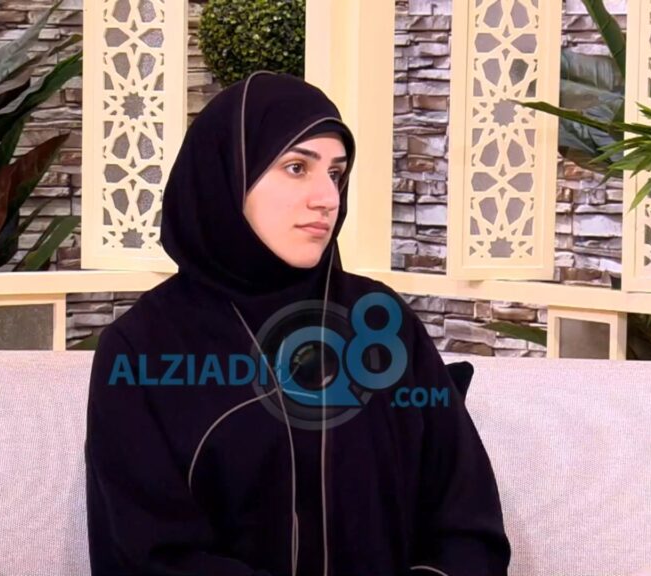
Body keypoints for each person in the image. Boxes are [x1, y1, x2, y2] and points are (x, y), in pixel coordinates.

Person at [85, 71, 510, 576]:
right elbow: (151, 555)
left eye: (336, 173)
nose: (327, 197)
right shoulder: (142, 349)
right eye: (296, 167)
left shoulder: (382, 323)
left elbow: (467, 525)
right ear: (227, 175)